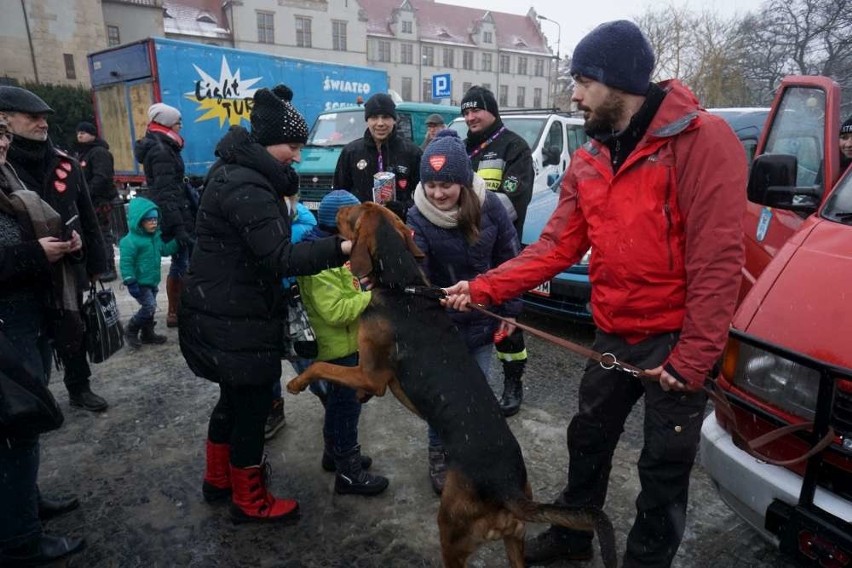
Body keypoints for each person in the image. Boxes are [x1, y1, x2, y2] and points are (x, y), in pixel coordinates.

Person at [444, 20, 747, 567]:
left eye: (584, 81)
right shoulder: (589, 159)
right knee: (586, 439)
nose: (575, 95)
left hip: (676, 342)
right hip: (614, 332)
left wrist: (696, 356)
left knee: (662, 465)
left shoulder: (703, 142)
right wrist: (483, 287)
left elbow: (718, 260)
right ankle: (572, 536)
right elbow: (554, 248)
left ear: (620, 82)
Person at [178, 84, 352, 524]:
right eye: (293, 146)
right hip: (237, 316)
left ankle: (218, 480)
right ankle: (249, 500)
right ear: (268, 141)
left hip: (224, 310)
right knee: (251, 409)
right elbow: (278, 258)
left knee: (233, 402)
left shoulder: (237, 171)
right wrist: (340, 249)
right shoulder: (248, 184)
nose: (297, 155)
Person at [406, 130, 521, 495]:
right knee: (443, 396)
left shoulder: (492, 207)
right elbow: (415, 274)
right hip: (440, 326)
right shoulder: (416, 215)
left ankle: (469, 453)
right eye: (431, 184)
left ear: (464, 182)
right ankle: (439, 453)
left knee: (478, 392)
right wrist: (441, 296)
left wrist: (511, 311)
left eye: (446, 185)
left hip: (482, 321)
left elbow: (510, 260)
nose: (437, 194)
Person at [0, 113, 86, 566]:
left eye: (0, 133)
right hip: (5, 325)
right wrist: (35, 253)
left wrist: (63, 244)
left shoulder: (9, 176)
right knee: (14, 429)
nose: (1, 142)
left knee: (24, 424)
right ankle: (19, 541)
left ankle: (24, 505)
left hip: (25, 316)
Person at [0, 86, 110, 413]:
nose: (42, 123)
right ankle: (32, 400)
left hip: (68, 268)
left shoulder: (65, 162)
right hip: (22, 279)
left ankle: (79, 386)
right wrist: (34, 252)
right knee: (31, 343)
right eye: (33, 117)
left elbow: (86, 216)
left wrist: (94, 262)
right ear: (6, 119)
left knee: (72, 329)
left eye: (45, 118)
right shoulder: (6, 169)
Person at [295, 189, 389, 496]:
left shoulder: (335, 251)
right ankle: (349, 473)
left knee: (338, 408)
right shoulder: (318, 261)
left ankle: (333, 455)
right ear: (341, 225)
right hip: (335, 349)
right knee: (346, 411)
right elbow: (335, 311)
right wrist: (371, 297)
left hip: (346, 345)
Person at [460, 85, 536, 417]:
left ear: (492, 110)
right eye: (465, 112)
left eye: (476, 110)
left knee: (506, 322)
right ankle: (471, 383)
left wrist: (458, 219)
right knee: (468, 319)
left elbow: (512, 203)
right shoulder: (461, 149)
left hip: (501, 254)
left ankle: (512, 382)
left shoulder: (514, 147)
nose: (470, 117)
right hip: (464, 253)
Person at [134, 102, 194, 329]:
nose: (180, 126)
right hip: (175, 213)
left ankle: (176, 310)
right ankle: (175, 311)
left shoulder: (162, 146)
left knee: (181, 262)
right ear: (167, 123)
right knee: (182, 263)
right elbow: (167, 192)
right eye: (178, 122)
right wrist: (179, 227)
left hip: (174, 211)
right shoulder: (162, 151)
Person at [264, 192, 317, 440]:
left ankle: (330, 395)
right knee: (268, 362)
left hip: (291, 301)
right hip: (263, 303)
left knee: (304, 355)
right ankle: (273, 408)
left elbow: (283, 248)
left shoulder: (302, 222)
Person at [332, 93, 422, 213]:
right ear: (367, 120)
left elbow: (423, 198)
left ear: (394, 120)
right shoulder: (351, 152)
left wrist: (401, 208)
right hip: (361, 227)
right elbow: (339, 195)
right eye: (374, 117)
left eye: (385, 117)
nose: (380, 123)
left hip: (399, 227)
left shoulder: (412, 153)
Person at [119, 197, 179, 348]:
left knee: (150, 307)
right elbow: (126, 263)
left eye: (155, 220)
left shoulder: (155, 238)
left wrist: (177, 242)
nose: (153, 223)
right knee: (149, 307)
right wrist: (130, 279)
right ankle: (131, 329)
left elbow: (164, 251)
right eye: (149, 220)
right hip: (139, 282)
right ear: (140, 221)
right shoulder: (130, 241)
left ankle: (147, 333)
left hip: (152, 281)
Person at [72, 121, 117, 283]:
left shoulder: (98, 152)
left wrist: (86, 194)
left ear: (92, 134)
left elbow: (102, 177)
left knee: (102, 234)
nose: (80, 135)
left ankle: (108, 267)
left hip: (100, 201)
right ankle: (98, 266)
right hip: (90, 201)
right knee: (92, 234)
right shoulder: (82, 153)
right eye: (78, 132)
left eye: (84, 132)